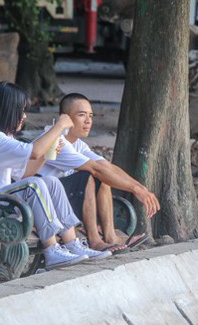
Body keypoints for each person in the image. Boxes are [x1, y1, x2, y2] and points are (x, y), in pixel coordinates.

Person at [0, 82, 112, 272]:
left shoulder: (2, 138)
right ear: (7, 110)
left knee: (51, 182)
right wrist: (59, 126)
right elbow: (34, 152)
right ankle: (51, 249)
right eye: (21, 110)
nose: (25, 116)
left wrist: (47, 153)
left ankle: (71, 243)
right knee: (33, 185)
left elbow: (25, 171)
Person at [37, 93, 161, 252]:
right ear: (65, 118)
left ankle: (111, 238)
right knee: (91, 175)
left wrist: (140, 188)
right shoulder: (57, 140)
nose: (88, 121)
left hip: (62, 199)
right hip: (45, 202)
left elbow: (107, 167)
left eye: (90, 116)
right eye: (82, 115)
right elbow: (96, 169)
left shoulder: (78, 144)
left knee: (103, 177)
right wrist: (135, 190)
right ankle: (94, 241)